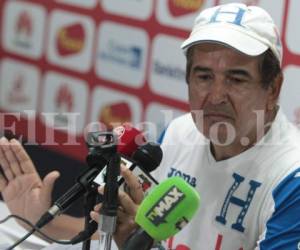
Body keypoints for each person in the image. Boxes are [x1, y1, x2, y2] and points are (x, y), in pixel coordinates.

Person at [1, 2, 300, 250]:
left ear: (273, 88)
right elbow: (122, 234)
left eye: (236, 79)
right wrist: (44, 220)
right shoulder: (179, 133)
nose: (217, 96)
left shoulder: (291, 178)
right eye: (204, 77)